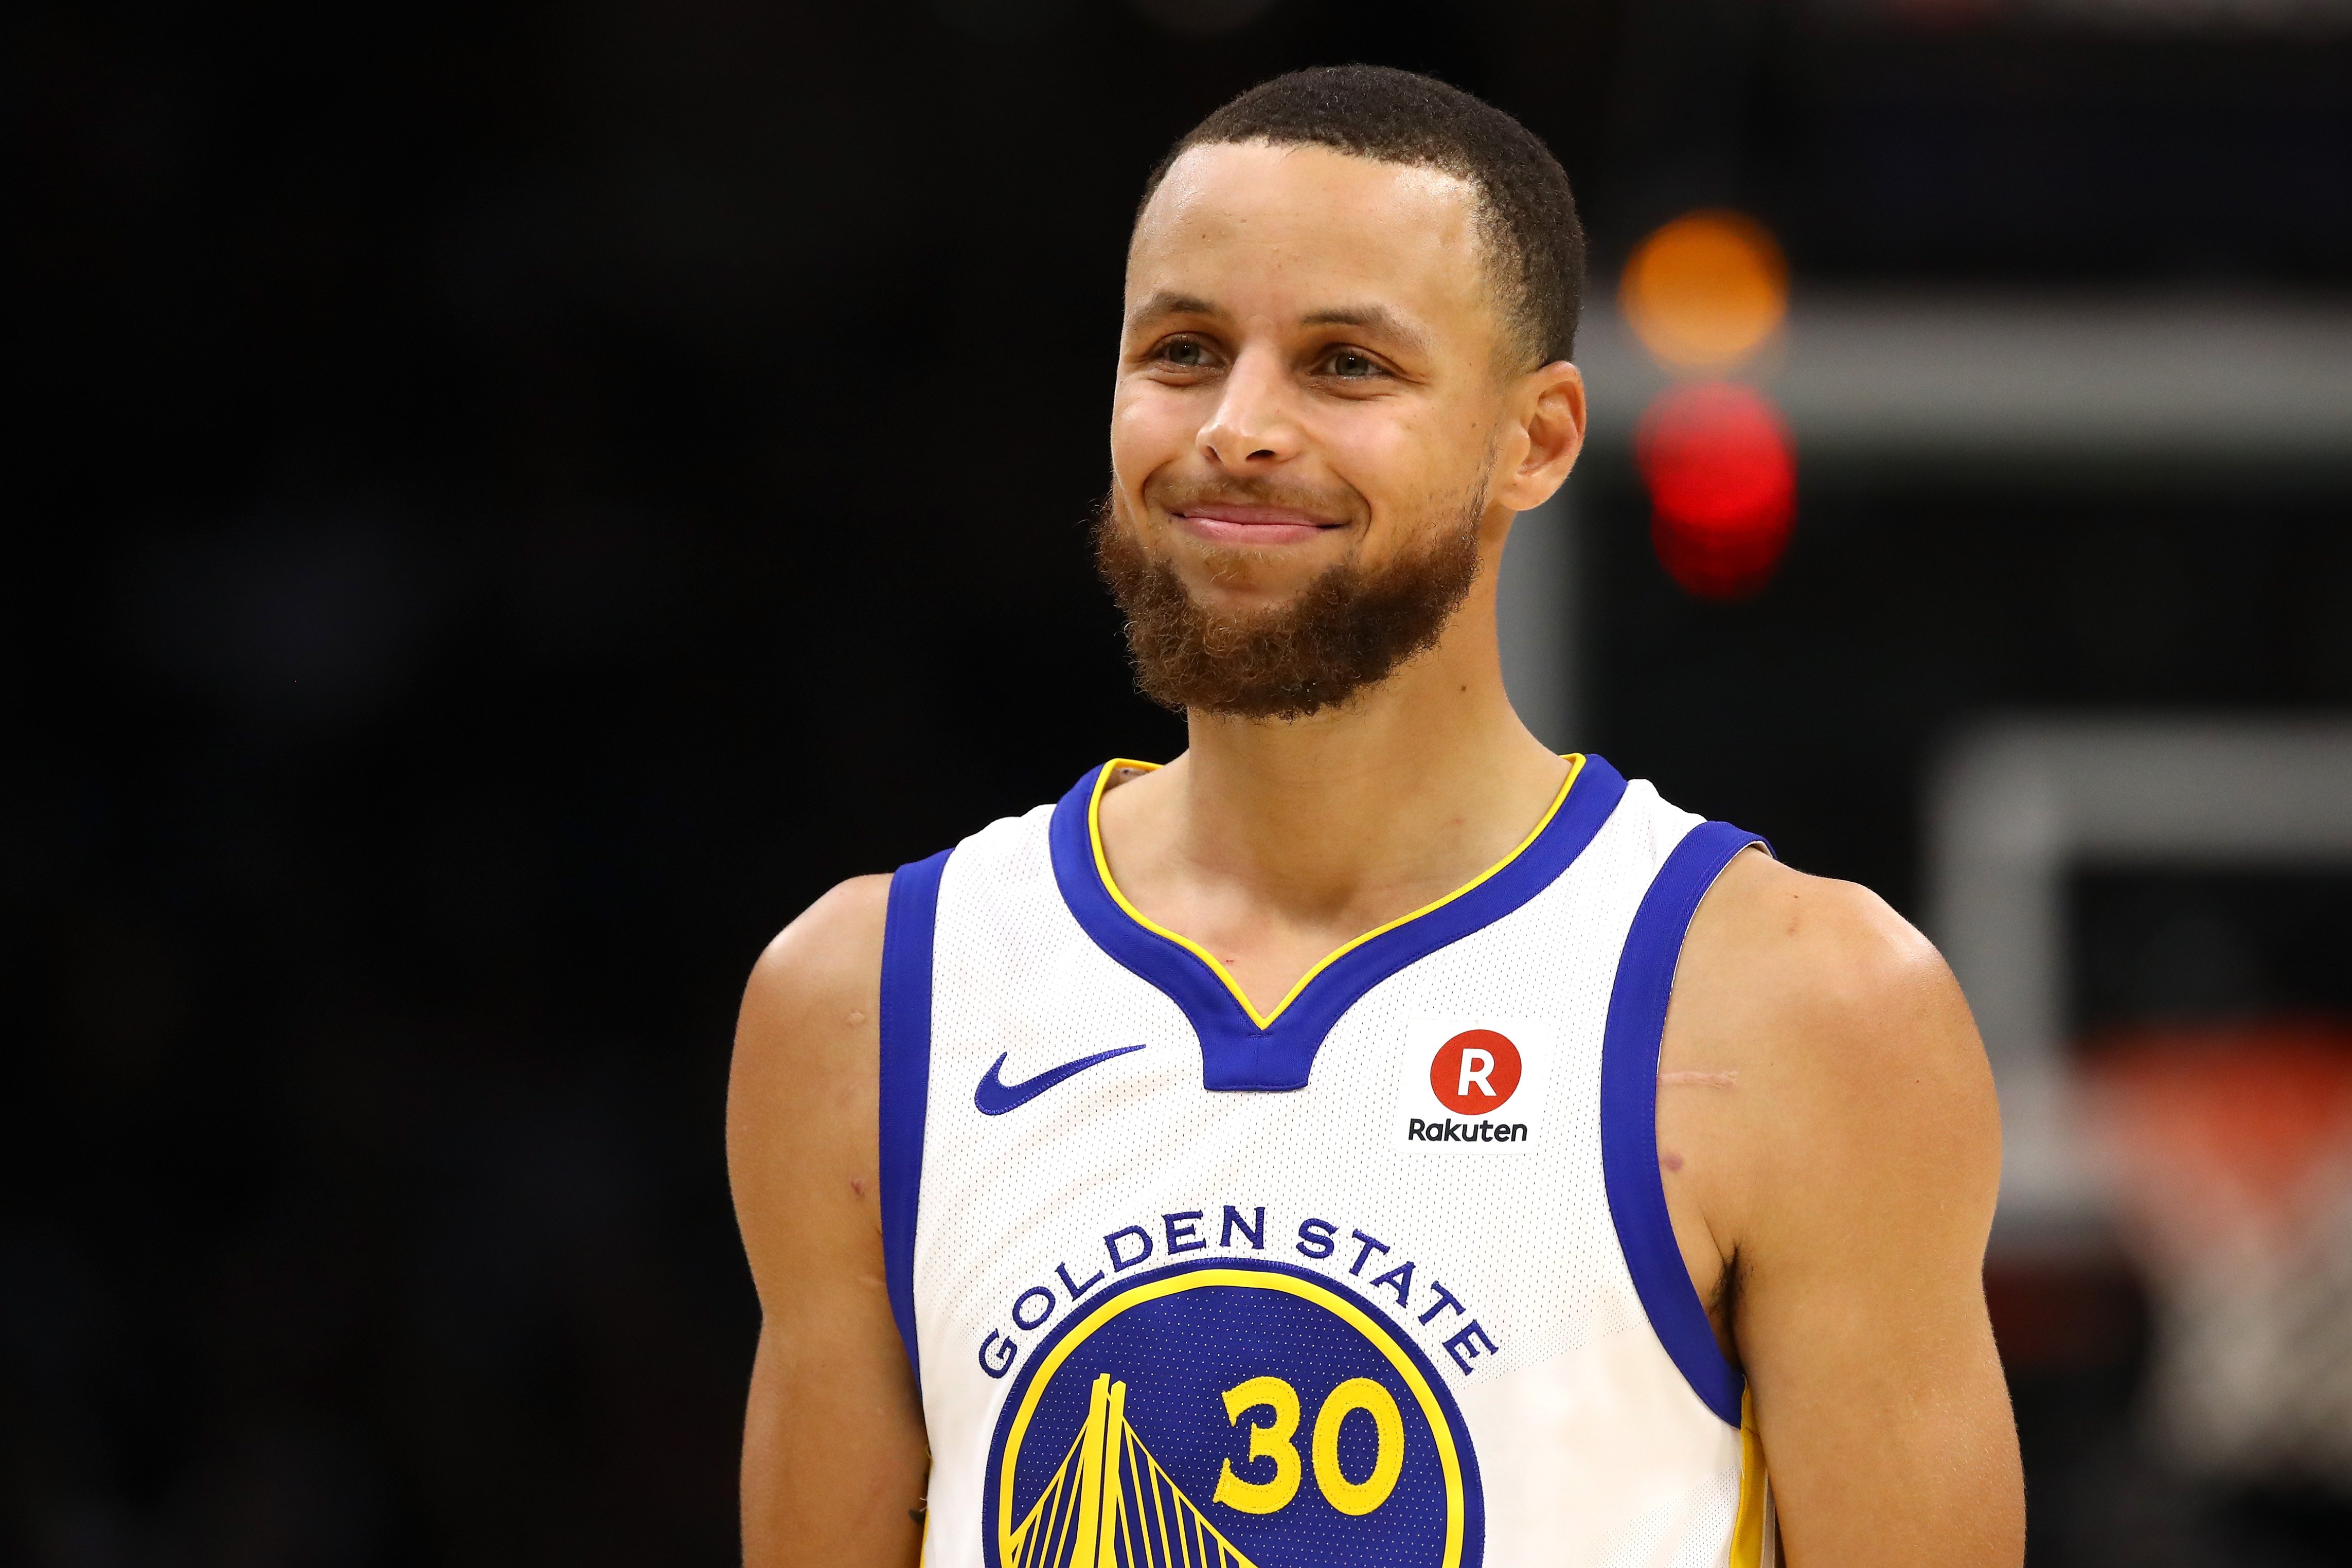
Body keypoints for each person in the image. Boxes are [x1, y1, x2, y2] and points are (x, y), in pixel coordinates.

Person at [729, 65, 2022, 1568]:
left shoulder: (1803, 1007)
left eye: (1344, 365)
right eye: (1184, 350)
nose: (1238, 428)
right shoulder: (859, 1002)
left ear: (1535, 441)